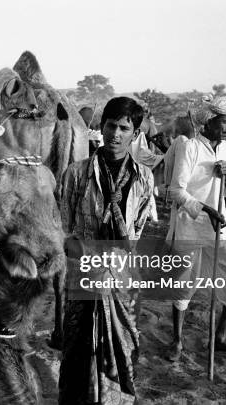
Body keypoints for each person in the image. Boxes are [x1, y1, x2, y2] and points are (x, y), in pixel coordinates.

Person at [58, 97, 154, 404]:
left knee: (122, 345)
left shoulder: (144, 178)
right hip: (83, 277)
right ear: (101, 126)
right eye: (111, 125)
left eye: (124, 128)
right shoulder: (76, 173)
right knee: (78, 349)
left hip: (121, 278)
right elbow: (63, 229)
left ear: (134, 133)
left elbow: (136, 232)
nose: (115, 134)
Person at [167, 95, 226, 361]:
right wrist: (206, 210)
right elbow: (175, 191)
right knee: (185, 283)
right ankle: (178, 341)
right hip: (191, 224)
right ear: (210, 121)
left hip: (221, 224)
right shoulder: (190, 147)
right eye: (225, 123)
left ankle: (221, 337)